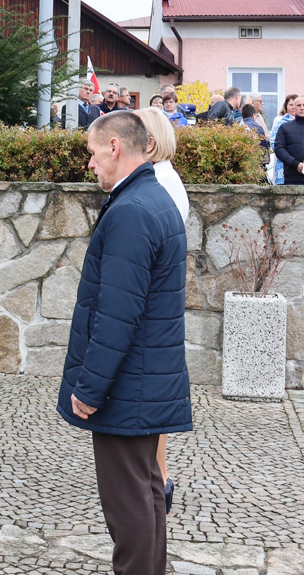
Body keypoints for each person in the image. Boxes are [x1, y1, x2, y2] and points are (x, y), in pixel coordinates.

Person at [57, 112, 192, 575]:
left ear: (115, 147)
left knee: (129, 504)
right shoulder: (151, 199)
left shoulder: (133, 210)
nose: (90, 164)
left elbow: (117, 315)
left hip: (127, 387)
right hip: (143, 381)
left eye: (93, 153)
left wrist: (90, 389)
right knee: (148, 492)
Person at [135, 107, 191, 515]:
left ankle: (158, 481)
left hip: (151, 306)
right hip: (157, 303)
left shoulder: (159, 182)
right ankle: (158, 478)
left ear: (148, 141)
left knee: (151, 397)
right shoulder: (166, 178)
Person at [274, 95, 304, 186]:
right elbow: (279, 148)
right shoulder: (284, 127)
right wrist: (295, 164)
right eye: (299, 105)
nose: (302, 108)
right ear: (294, 108)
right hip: (293, 177)